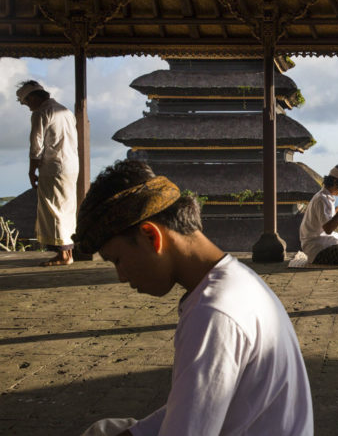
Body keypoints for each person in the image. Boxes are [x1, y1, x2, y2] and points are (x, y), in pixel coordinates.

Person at [75, 160, 313, 436]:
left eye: (117, 259)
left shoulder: (213, 313)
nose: (121, 276)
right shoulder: (236, 280)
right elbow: (199, 402)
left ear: (152, 236)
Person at [16, 80, 78, 266]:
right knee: (66, 208)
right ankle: (68, 251)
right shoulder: (65, 111)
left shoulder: (41, 113)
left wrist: (31, 170)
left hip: (53, 167)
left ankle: (63, 255)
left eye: (27, 103)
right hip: (71, 165)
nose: (28, 107)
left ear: (33, 98)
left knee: (54, 209)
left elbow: (36, 145)